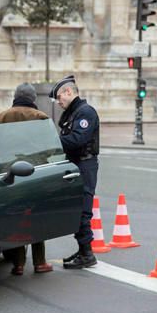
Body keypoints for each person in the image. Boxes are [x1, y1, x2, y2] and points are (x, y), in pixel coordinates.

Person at [0, 83, 53, 275]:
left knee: (16, 218)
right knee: (36, 217)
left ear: (15, 97)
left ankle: (18, 264)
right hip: (35, 175)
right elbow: (50, 148)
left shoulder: (0, 118)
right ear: (33, 99)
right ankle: (39, 262)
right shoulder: (40, 117)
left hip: (9, 175)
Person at [51, 75, 100, 270]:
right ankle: (82, 250)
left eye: (60, 97)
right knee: (77, 208)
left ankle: (87, 253)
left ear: (69, 92)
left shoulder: (85, 112)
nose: (58, 102)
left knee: (83, 209)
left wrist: (51, 142)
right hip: (75, 164)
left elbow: (78, 139)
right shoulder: (73, 113)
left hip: (84, 165)